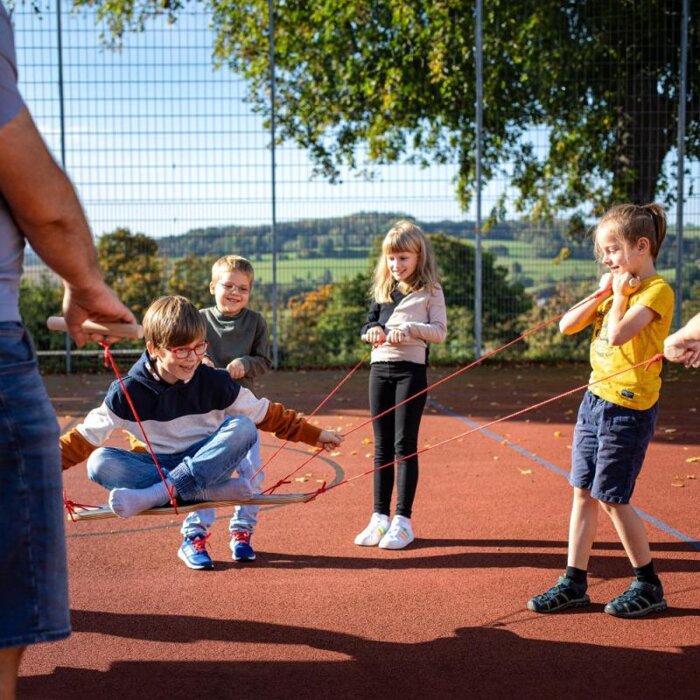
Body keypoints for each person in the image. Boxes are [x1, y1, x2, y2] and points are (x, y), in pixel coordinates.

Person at [0, 4, 137, 697]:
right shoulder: (133, 389)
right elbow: (39, 197)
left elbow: (251, 407)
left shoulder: (216, 379)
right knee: (11, 554)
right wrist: (83, 283)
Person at [59, 295, 342, 571]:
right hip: (157, 465)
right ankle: (204, 492)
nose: (193, 358)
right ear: (155, 348)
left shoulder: (215, 382)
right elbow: (82, 440)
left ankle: (161, 493)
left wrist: (315, 435)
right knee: (99, 462)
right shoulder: (127, 393)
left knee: (244, 428)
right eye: (181, 350)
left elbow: (266, 414)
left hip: (206, 463)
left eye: (199, 347)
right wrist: (32, 470)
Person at [527, 203, 674, 618]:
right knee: (582, 492)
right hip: (595, 402)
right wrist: (602, 293)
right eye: (603, 253)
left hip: (628, 410)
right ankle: (574, 581)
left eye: (611, 250)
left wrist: (622, 296)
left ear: (641, 246)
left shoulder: (656, 290)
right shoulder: (616, 290)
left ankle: (649, 583)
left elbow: (619, 337)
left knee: (613, 498)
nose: (606, 260)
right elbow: (566, 326)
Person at [354, 221, 447, 550]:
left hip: (411, 372)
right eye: (391, 259)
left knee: (403, 446)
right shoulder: (383, 290)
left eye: (403, 258)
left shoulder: (431, 290)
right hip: (379, 370)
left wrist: (410, 329)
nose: (396, 266)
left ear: (419, 256)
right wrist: (373, 333)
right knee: (380, 447)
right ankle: (379, 518)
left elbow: (439, 331)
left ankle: (402, 521)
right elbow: (368, 325)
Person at [198, 254, 272, 562]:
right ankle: (195, 535)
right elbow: (183, 351)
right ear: (213, 286)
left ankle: (242, 530)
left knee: (251, 473)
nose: (235, 293)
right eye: (228, 285)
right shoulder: (198, 319)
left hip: (243, 410)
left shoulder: (255, 322)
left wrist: (247, 363)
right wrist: (199, 361)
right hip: (203, 412)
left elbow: (265, 362)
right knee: (202, 474)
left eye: (243, 288)